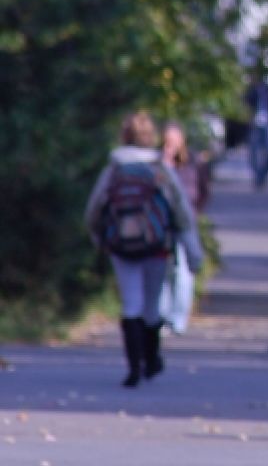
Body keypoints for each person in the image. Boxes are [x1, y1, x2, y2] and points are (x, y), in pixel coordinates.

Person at [84, 111, 204, 388]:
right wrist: (193, 253)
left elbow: (94, 208)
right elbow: (182, 213)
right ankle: (151, 359)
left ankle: (133, 367)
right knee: (152, 305)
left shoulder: (114, 170)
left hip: (121, 247)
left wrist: (98, 237)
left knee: (131, 304)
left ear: (124, 137)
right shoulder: (160, 171)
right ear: (152, 138)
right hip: (156, 246)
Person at [160, 121, 203, 335]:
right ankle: (163, 317)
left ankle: (178, 319)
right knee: (164, 272)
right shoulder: (157, 165)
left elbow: (202, 190)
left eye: (173, 143)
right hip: (162, 225)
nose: (170, 147)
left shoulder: (191, 164)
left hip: (185, 223)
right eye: (166, 143)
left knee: (184, 273)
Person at [243, 72, 268, 189]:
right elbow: (245, 104)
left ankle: (263, 175)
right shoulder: (250, 90)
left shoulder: (267, 89)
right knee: (254, 152)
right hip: (255, 123)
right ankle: (257, 177)